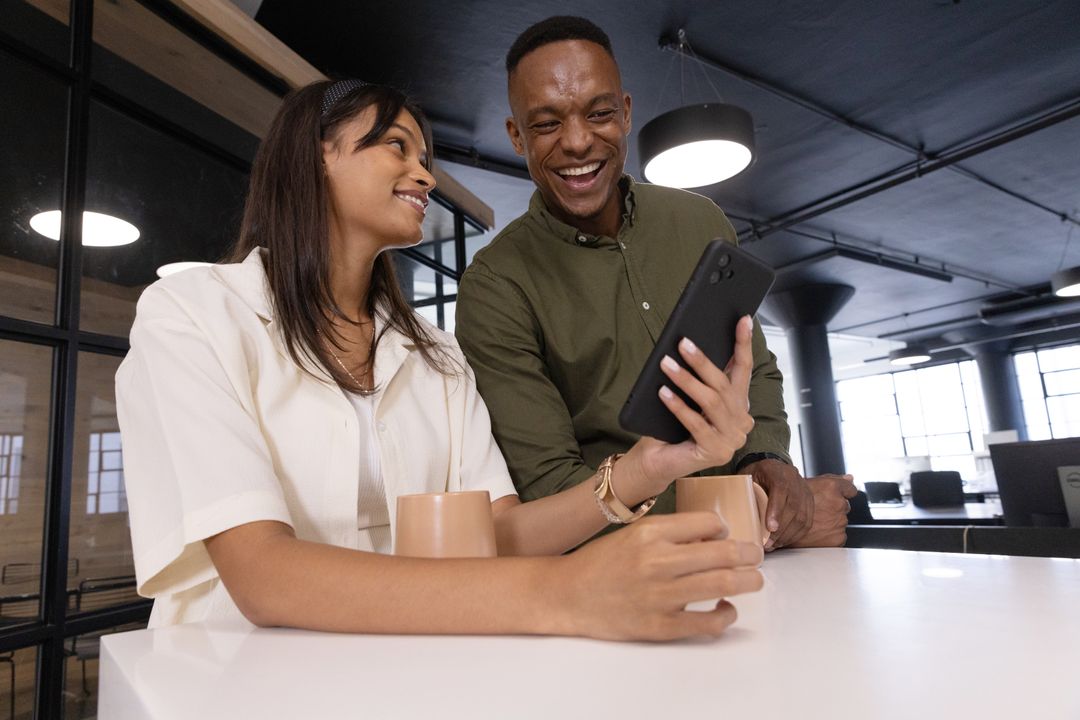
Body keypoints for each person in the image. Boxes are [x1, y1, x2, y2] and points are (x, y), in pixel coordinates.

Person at [114, 79, 766, 642]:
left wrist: (644, 470)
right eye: (396, 146)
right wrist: (564, 593)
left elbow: (497, 535)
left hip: (408, 671)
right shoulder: (192, 313)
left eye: (425, 156)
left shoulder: (437, 355)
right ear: (315, 156)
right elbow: (264, 577)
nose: (425, 174)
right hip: (229, 681)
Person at [455, 16, 857, 551]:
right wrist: (755, 522)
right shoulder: (495, 287)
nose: (577, 142)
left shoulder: (701, 222)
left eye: (598, 114)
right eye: (547, 124)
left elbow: (752, 369)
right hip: (613, 580)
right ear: (515, 136)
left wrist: (770, 462)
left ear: (624, 113)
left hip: (758, 570)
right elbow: (551, 489)